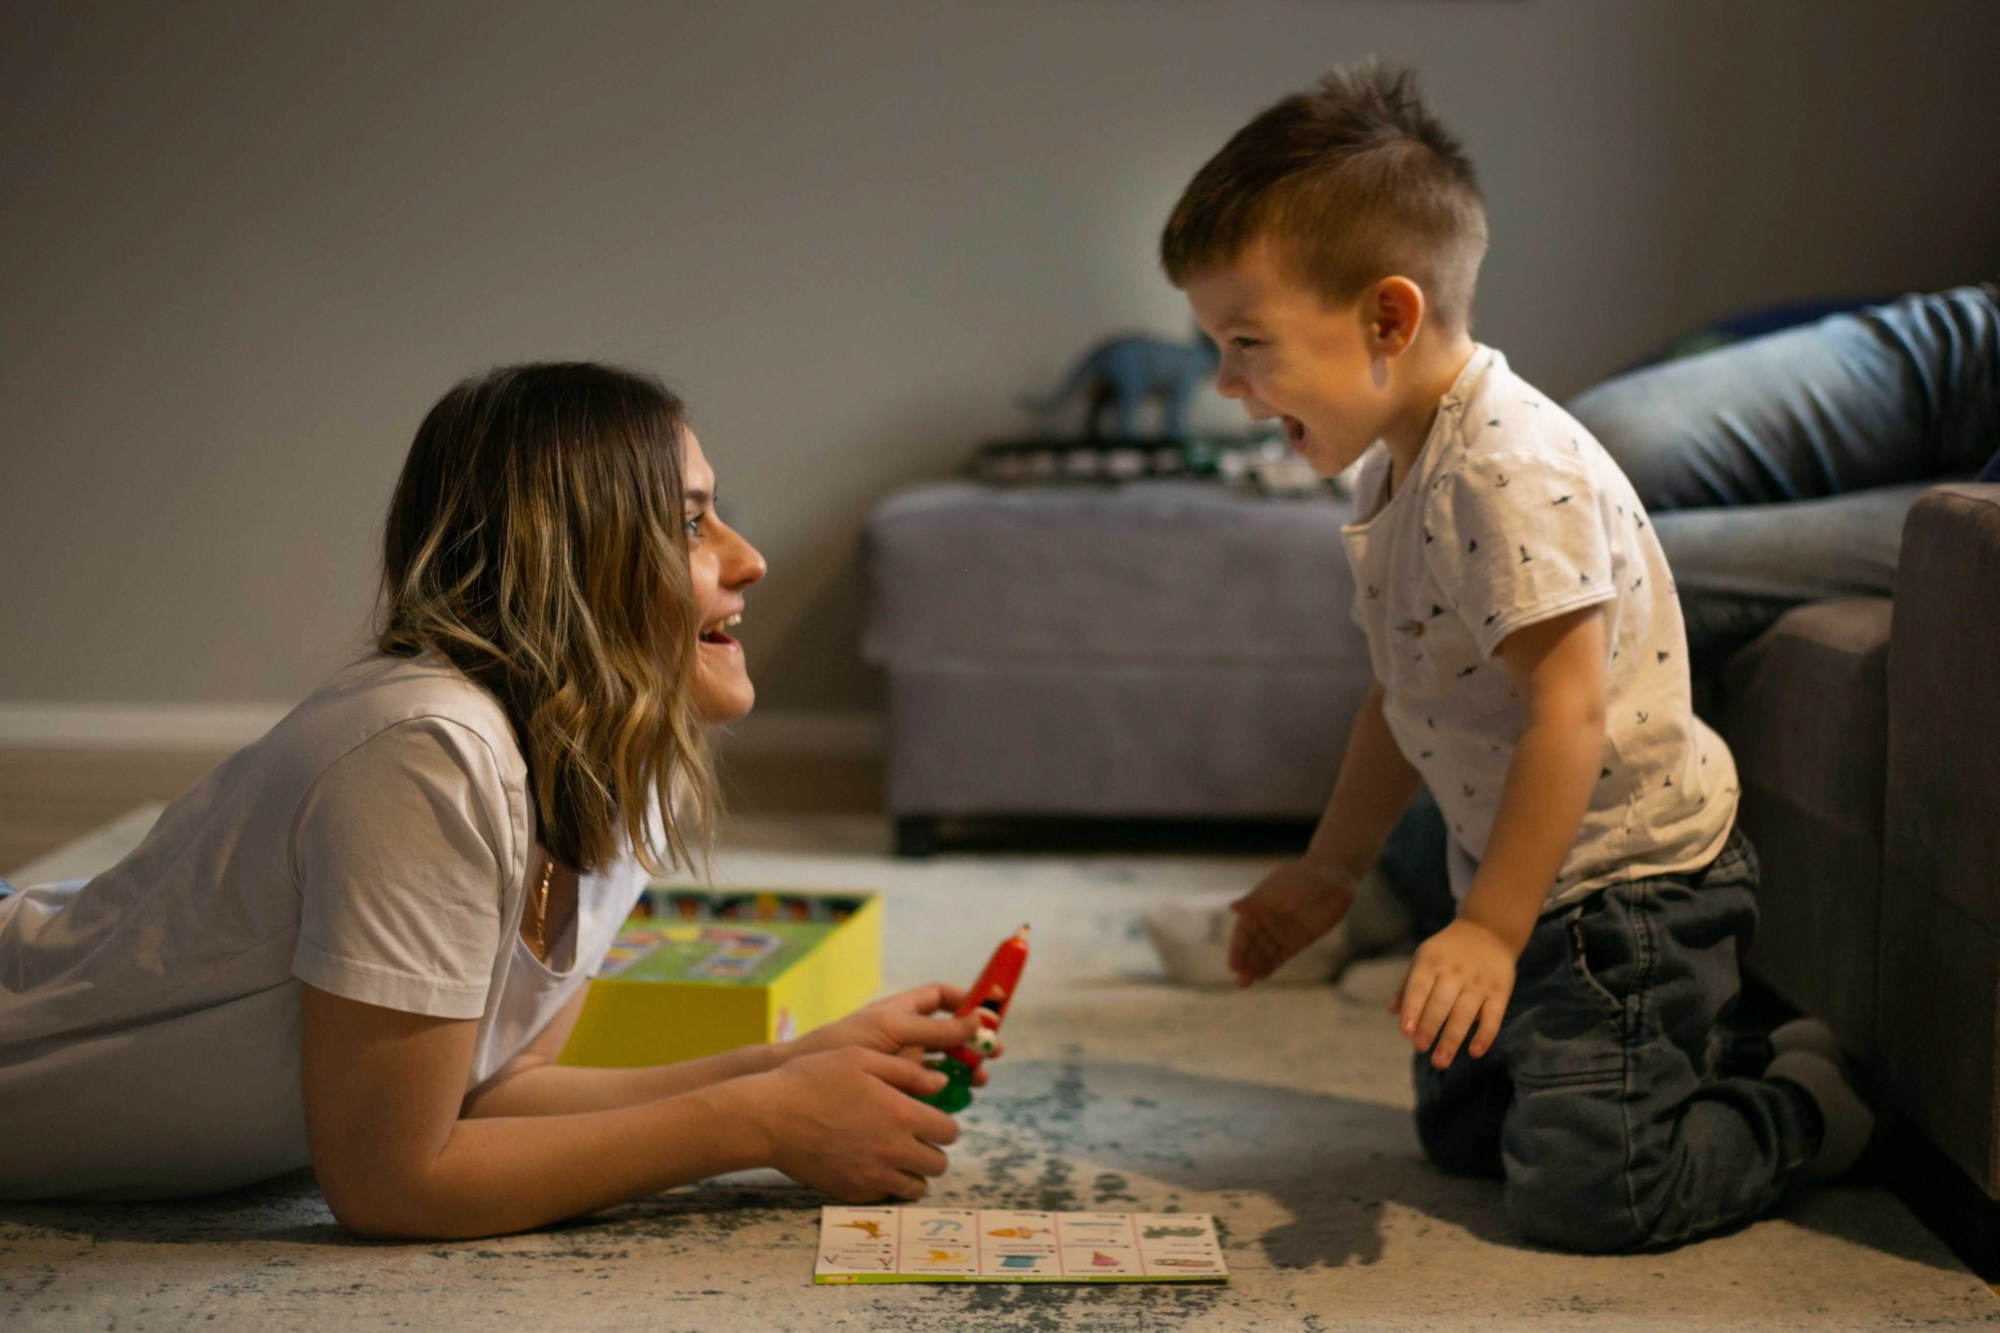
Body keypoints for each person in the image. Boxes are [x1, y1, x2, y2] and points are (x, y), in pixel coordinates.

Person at [0, 362, 986, 1237]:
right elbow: (393, 1182)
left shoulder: (613, 770)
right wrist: (755, 1122)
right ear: (574, 558)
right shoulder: (427, 755)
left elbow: (494, 1090)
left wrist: (785, 1071)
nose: (749, 558)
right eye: (690, 522)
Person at [1157, 64, 1871, 1252]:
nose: (1225, 383)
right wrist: (1330, 868)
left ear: (1386, 320)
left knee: (1595, 1195)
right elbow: (1402, 694)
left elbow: (1566, 716)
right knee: (1462, 1140)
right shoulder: (1395, 465)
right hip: (1517, 870)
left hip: (1625, 886)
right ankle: (1694, 1052)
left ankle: (1799, 1101)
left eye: (1245, 342)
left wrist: (1487, 930)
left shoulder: (1503, 474)